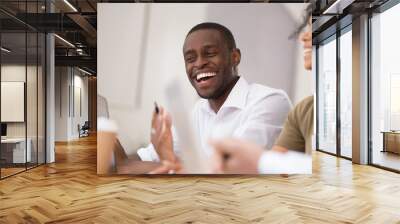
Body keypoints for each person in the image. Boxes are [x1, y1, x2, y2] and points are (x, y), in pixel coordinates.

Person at [138, 22, 292, 169]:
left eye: (210, 54)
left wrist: (169, 161)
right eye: (190, 59)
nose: (199, 64)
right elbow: (143, 161)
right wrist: (116, 151)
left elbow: (226, 169)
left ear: (235, 57)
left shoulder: (270, 101)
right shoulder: (198, 111)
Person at [210, 4, 314, 174]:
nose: (304, 37)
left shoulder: (272, 100)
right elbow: (275, 178)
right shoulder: (305, 109)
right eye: (309, 27)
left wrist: (260, 161)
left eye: (316, 27)